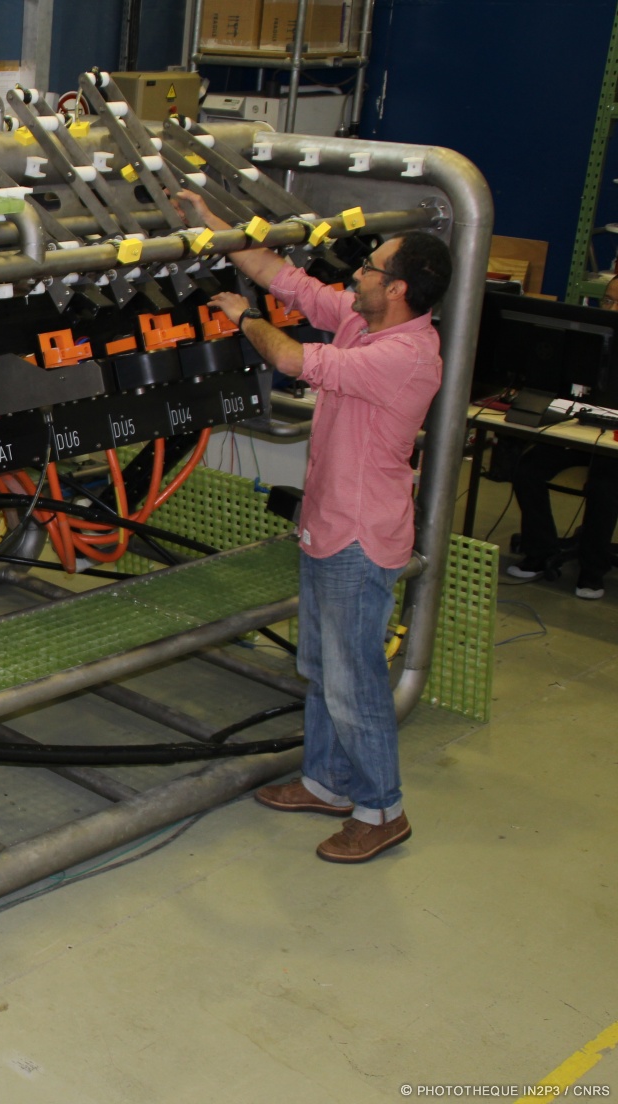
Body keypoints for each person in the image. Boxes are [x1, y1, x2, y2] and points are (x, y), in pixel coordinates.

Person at [177, 191, 452, 864]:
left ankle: (382, 810)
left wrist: (245, 318)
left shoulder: (407, 354)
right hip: (328, 524)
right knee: (323, 666)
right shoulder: (363, 319)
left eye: (372, 269)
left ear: (399, 289)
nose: (357, 274)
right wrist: (212, 227)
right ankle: (328, 782)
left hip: (360, 537)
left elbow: (295, 361)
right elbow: (288, 281)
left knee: (355, 678)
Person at [503, 274, 618, 600]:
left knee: (604, 486)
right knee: (527, 468)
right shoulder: (590, 338)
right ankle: (540, 550)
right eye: (607, 300)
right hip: (582, 430)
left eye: (617, 302)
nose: (610, 308)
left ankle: (592, 570)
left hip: (614, 444)